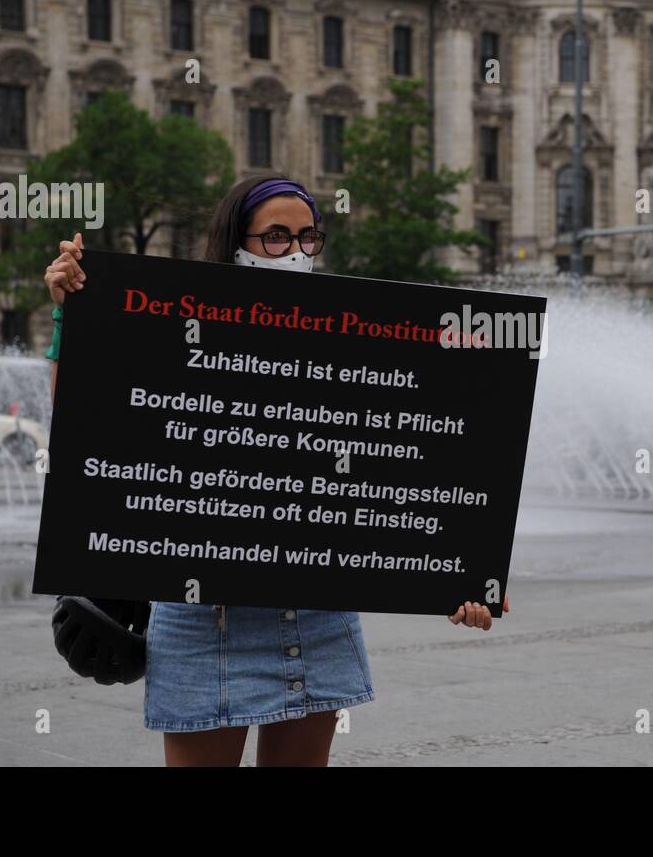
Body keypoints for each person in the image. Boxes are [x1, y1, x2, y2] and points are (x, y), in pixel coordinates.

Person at [43, 175, 508, 767]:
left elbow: (398, 466)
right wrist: (71, 317)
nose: (294, 250)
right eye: (276, 236)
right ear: (235, 242)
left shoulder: (350, 336)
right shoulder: (174, 325)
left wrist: (454, 574)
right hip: (201, 620)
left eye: (308, 236)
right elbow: (89, 421)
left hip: (313, 613)